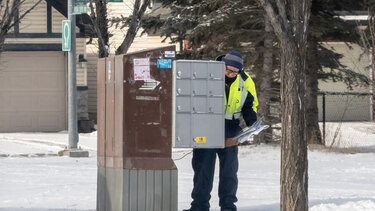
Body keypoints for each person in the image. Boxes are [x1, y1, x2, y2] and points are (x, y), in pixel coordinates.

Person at [184, 50, 258, 211]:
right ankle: (199, 206)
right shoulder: (208, 75)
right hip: (206, 127)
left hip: (230, 129)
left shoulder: (244, 81)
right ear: (222, 65)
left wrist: (253, 122)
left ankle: (228, 206)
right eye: (228, 70)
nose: (231, 74)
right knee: (203, 169)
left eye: (235, 72)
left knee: (229, 172)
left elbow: (249, 104)